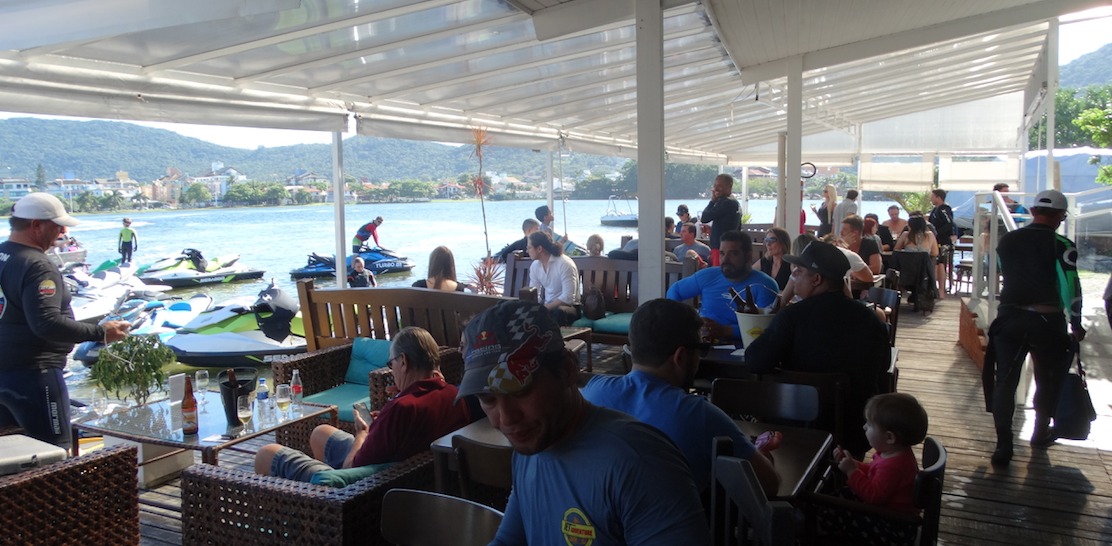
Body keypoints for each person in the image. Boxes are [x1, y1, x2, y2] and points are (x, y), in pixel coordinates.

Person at [457, 300, 711, 545]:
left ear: (567, 371)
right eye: (488, 399)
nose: (506, 419)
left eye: (520, 391)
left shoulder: (641, 464)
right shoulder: (529, 449)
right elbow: (508, 540)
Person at [582, 298, 780, 495]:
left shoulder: (592, 392)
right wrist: (764, 457)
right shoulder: (701, 415)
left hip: (592, 513)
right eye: (701, 350)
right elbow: (770, 485)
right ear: (681, 356)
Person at [254, 326, 471, 482]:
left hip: (363, 485)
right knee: (321, 432)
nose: (392, 369)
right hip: (411, 472)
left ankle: (324, 495)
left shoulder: (403, 407)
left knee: (267, 453)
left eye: (391, 363)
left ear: (403, 361)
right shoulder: (454, 394)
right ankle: (317, 500)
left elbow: (353, 466)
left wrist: (362, 433)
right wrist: (384, 418)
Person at [0, 193, 131, 449]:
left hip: (5, 371)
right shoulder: (37, 265)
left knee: (12, 454)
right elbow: (47, 323)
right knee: (55, 452)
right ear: (36, 225)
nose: (63, 232)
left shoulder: (4, 255)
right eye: (58, 225)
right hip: (35, 374)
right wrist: (101, 333)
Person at [743, 240, 891, 457]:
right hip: (855, 433)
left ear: (817, 279)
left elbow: (754, 361)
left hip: (794, 432)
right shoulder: (870, 320)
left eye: (799, 271)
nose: (793, 276)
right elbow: (884, 367)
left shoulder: (792, 317)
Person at [984, 189, 1085, 466]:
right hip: (1047, 321)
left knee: (1005, 381)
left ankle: (1003, 445)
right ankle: (1040, 433)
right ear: (1061, 216)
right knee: (1046, 379)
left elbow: (1006, 273)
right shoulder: (1062, 244)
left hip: (1009, 320)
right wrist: (1076, 322)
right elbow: (1072, 286)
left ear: (1032, 211)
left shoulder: (1007, 240)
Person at [821, 393, 929, 543]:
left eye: (870, 425)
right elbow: (874, 472)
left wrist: (851, 471)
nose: (864, 426)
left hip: (894, 526)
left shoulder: (894, 467)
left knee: (838, 511)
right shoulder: (894, 453)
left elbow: (874, 496)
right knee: (840, 497)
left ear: (889, 437)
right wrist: (854, 464)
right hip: (888, 514)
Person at [666, 230, 779, 341]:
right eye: (722, 253)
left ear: (748, 256)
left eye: (733, 253)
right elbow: (675, 290)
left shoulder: (765, 285)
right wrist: (684, 321)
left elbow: (765, 328)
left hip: (745, 347)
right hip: (704, 342)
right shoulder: (708, 275)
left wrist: (725, 330)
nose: (725, 259)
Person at [526, 231, 579, 325]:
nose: (527, 251)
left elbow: (568, 298)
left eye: (529, 247)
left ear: (539, 249)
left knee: (558, 312)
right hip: (548, 306)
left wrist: (545, 308)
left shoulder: (564, 264)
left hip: (570, 307)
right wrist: (535, 308)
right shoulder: (535, 266)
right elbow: (534, 293)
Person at [700, 174, 741, 266]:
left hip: (721, 249)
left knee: (718, 273)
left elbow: (704, 218)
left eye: (720, 186)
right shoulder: (735, 203)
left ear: (729, 186)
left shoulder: (725, 202)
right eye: (715, 185)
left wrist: (712, 201)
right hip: (731, 247)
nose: (716, 189)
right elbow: (731, 226)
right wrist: (712, 230)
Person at [928, 189, 955, 298]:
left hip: (943, 241)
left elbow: (949, 223)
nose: (931, 199)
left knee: (940, 265)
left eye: (932, 197)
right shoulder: (935, 210)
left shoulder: (944, 209)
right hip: (935, 241)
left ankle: (941, 290)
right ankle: (934, 289)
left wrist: (936, 233)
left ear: (938, 197)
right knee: (936, 264)